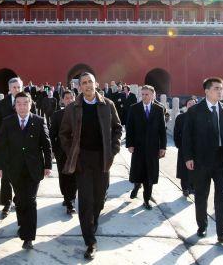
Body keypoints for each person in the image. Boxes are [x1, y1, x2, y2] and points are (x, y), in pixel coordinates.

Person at [59, 72, 122, 260]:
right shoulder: (72, 108)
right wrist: (73, 154)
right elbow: (64, 134)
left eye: (90, 82)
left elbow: (117, 128)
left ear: (96, 84)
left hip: (102, 158)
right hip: (82, 160)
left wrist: (113, 149)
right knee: (86, 200)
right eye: (84, 83)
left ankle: (91, 223)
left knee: (100, 198)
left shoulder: (107, 105)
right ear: (79, 87)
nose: (87, 85)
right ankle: (90, 240)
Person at [182, 77, 223, 246]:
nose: (219, 91)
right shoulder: (195, 111)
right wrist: (188, 157)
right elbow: (187, 136)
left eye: (221, 88)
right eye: (216, 88)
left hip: (222, 159)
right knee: (201, 195)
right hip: (201, 160)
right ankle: (202, 226)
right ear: (206, 91)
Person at [0, 92, 52, 250]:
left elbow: (46, 145)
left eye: (25, 103)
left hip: (34, 168)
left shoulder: (39, 121)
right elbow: (1, 146)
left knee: (31, 200)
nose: (22, 106)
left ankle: (28, 237)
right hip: (14, 168)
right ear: (15, 106)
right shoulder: (7, 122)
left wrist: (48, 165)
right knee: (20, 199)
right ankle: (22, 224)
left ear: (31, 104)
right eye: (18, 103)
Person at [0, 77, 34, 218]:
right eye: (14, 87)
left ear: (22, 87)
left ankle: (20, 200)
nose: (17, 90)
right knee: (6, 177)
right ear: (9, 89)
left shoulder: (28, 101)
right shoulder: (2, 104)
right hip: (7, 146)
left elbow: (31, 122)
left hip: (23, 146)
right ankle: (6, 203)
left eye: (19, 87)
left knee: (21, 176)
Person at [126, 85, 166, 209]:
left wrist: (163, 147)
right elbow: (130, 128)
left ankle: (146, 199)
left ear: (153, 95)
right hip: (138, 147)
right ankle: (136, 187)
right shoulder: (134, 108)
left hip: (153, 148)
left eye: (146, 94)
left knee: (150, 174)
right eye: (142, 94)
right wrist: (130, 144)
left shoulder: (159, 109)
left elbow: (162, 130)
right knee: (139, 171)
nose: (144, 97)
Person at [49, 90, 77, 215]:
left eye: (71, 97)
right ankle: (68, 199)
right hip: (62, 152)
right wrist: (54, 151)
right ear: (62, 100)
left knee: (75, 176)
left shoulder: (80, 113)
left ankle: (71, 199)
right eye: (67, 98)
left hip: (76, 152)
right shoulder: (57, 115)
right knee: (64, 176)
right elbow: (52, 134)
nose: (69, 100)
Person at [173, 97, 196, 197]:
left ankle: (192, 187)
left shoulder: (199, 118)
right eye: (189, 103)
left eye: (193, 103)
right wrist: (179, 145)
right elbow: (176, 133)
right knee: (184, 169)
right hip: (183, 148)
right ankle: (185, 188)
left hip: (196, 149)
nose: (191, 105)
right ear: (186, 105)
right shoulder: (181, 118)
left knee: (194, 169)